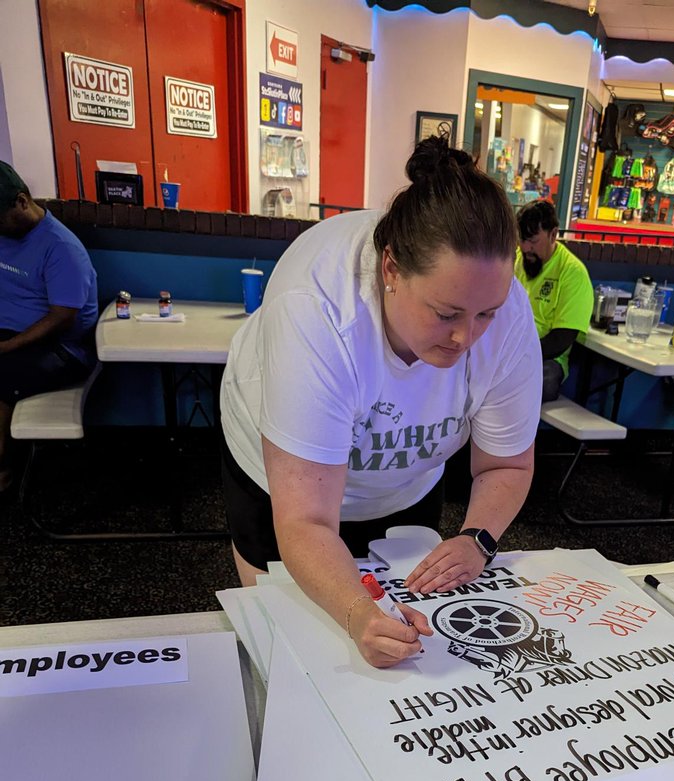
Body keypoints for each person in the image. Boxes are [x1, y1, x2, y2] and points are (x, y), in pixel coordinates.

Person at [220, 136, 542, 669]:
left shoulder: (503, 313)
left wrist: (477, 538)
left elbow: (507, 462)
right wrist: (355, 612)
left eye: (485, 314)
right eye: (446, 314)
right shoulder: (318, 309)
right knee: (294, 650)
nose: (467, 338)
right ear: (390, 269)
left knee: (405, 649)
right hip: (279, 482)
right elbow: (304, 521)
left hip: (406, 478)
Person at [0, 162, 98, 493]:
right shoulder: (5, 235)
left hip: (62, 349)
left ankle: (3, 471)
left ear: (22, 201)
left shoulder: (61, 248)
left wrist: (7, 347)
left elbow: (62, 318)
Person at [514, 199, 594, 404]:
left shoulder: (573, 273)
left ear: (553, 234)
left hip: (547, 359)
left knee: (536, 381)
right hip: (508, 351)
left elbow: (561, 339)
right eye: (522, 240)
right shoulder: (515, 259)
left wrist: (517, 357)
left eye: (533, 241)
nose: (525, 247)